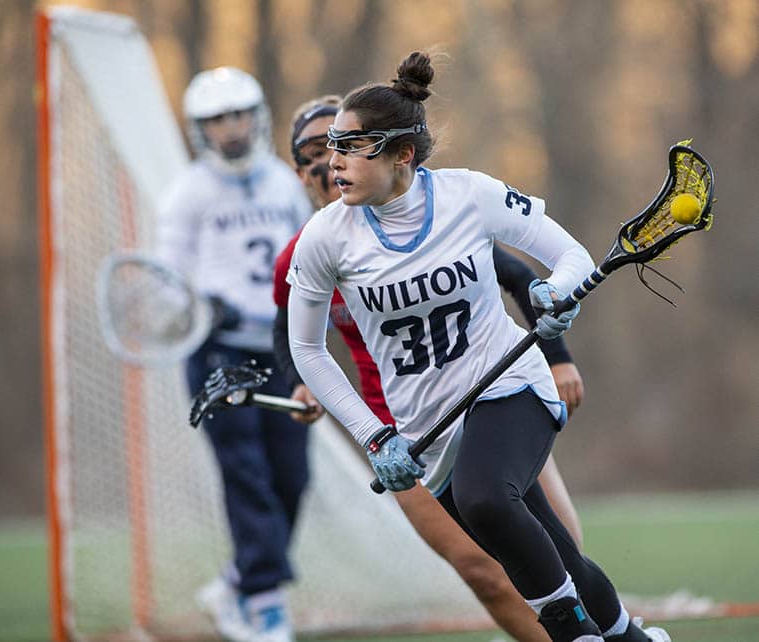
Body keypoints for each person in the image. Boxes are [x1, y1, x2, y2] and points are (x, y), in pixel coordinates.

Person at [285, 53, 671, 642]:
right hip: (425, 427)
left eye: (353, 145)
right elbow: (307, 350)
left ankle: (575, 633)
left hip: (509, 384)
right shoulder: (324, 238)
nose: (335, 161)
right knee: (559, 554)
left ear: (402, 154)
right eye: (333, 146)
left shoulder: (470, 195)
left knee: (485, 498)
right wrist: (375, 436)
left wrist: (555, 294)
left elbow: (569, 257)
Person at [272, 94, 585, 641]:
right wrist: (310, 392)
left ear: (394, 153)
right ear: (300, 173)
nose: (331, 161)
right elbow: (295, 340)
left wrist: (557, 355)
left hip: (496, 392)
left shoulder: (449, 207)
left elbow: (520, 274)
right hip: (404, 428)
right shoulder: (314, 247)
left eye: (342, 145)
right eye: (316, 153)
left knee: (557, 549)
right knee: (486, 572)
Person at [155, 66, 314, 642]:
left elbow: (308, 259)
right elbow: (165, 281)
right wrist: (203, 306)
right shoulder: (188, 193)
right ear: (201, 129)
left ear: (258, 116)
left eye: (239, 114)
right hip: (219, 354)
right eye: (217, 119)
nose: (231, 128)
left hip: (280, 348)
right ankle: (265, 604)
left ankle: (238, 581)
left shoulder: (282, 184)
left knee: (292, 477)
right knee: (246, 473)